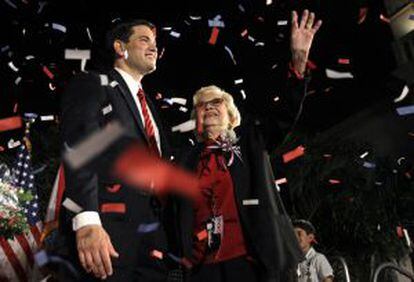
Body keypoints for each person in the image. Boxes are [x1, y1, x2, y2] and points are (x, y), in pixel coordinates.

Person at [174, 10, 323, 282]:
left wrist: (299, 60)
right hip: (203, 268)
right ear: (195, 121)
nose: (208, 108)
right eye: (201, 106)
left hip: (255, 262)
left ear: (231, 115)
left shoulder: (252, 140)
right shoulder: (185, 160)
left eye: (216, 103)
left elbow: (285, 114)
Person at [59, 19, 172, 281]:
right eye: (144, 40)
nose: (153, 47)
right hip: (107, 233)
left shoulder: (150, 107)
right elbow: (81, 147)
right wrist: (86, 219)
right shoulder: (94, 83)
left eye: (155, 43)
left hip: (153, 238)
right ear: (120, 48)